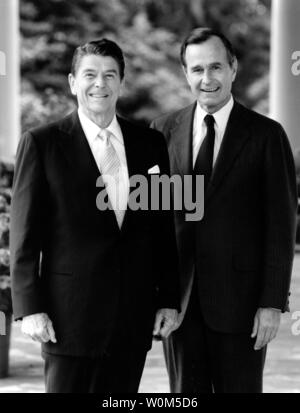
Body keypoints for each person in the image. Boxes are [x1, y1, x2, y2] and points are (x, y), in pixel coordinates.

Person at [10, 39, 180, 393]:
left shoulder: (150, 144)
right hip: (67, 319)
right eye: (89, 74)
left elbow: (162, 228)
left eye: (109, 75)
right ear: (73, 82)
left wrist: (168, 299)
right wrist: (29, 308)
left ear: (121, 82)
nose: (99, 84)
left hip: (131, 320)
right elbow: (24, 234)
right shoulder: (42, 144)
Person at [151, 28, 297, 393]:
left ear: (234, 68)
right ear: (186, 73)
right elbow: (154, 223)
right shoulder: (162, 131)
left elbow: (280, 227)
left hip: (242, 306)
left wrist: (272, 302)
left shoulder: (266, 135)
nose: (207, 78)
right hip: (179, 306)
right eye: (197, 69)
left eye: (216, 67)